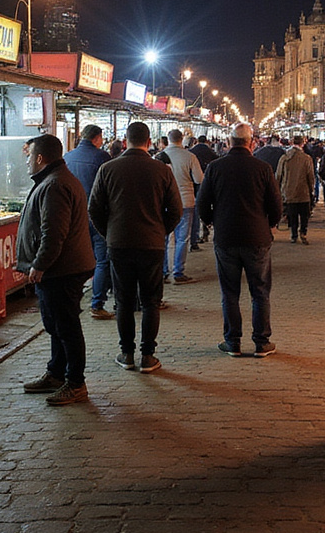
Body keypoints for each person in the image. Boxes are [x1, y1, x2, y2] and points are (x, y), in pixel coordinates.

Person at [88, 121, 182, 373]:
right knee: (151, 301)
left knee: (124, 300)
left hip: (119, 244)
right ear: (149, 142)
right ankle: (148, 356)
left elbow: (94, 208)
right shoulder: (161, 170)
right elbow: (176, 210)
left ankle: (127, 353)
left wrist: (109, 232)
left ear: (125, 141)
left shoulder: (108, 169)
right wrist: (160, 230)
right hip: (152, 245)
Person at [17, 134, 96, 405]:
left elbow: (53, 233)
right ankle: (56, 373)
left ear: (40, 158)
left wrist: (40, 264)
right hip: (62, 267)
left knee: (66, 326)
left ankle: (75, 382)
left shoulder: (55, 184)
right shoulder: (54, 180)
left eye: (29, 156)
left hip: (63, 270)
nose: (27, 161)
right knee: (56, 325)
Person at [197, 121, 283, 357]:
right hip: (257, 238)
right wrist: (270, 224)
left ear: (228, 142)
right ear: (251, 143)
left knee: (230, 293)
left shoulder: (215, 168)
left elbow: (202, 203)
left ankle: (232, 342)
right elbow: (276, 205)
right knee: (260, 292)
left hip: (226, 237)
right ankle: (262, 342)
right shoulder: (263, 168)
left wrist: (212, 222)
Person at [64, 124, 113, 319]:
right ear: (97, 138)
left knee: (78, 260)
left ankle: (73, 302)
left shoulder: (67, 157)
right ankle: (97, 303)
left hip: (74, 217)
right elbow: (108, 190)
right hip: (97, 217)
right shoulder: (102, 158)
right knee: (102, 260)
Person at [158, 128, 203, 283]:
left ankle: (163, 271)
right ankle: (178, 272)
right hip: (185, 200)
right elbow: (199, 179)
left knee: (164, 237)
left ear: (168, 139)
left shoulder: (159, 157)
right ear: (182, 139)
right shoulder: (190, 156)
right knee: (182, 238)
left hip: (163, 202)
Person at [275, 134, 315, 244]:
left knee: (292, 215)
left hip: (288, 191)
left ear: (292, 143)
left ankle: (294, 235)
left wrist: (279, 189)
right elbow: (310, 176)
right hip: (303, 192)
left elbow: (278, 175)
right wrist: (311, 189)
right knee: (304, 215)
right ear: (302, 144)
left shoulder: (284, 158)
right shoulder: (306, 158)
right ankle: (303, 232)